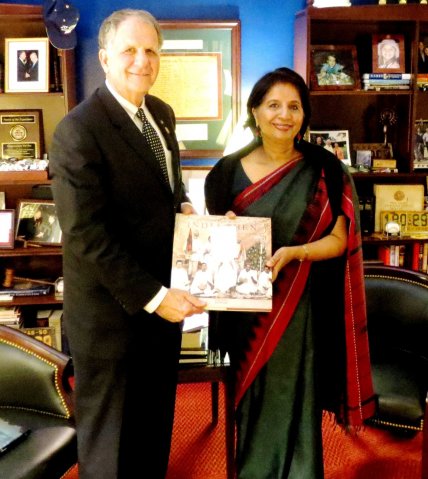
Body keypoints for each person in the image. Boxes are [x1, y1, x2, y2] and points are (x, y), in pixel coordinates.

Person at [49, 9, 206, 479]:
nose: (143, 60)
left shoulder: (160, 113)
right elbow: (86, 235)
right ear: (104, 58)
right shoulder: (78, 130)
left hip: (163, 308)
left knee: (153, 428)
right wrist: (156, 299)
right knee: (112, 447)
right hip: (112, 318)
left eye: (151, 50)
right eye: (130, 50)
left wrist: (183, 207)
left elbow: (167, 184)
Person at [204, 67, 375, 479]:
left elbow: (338, 240)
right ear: (255, 112)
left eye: (294, 106)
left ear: (305, 114)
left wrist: (297, 252)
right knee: (253, 404)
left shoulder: (326, 171)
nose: (285, 115)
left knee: (299, 402)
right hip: (246, 315)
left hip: (304, 314)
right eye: (274, 105)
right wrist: (221, 229)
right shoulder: (225, 173)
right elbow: (210, 245)